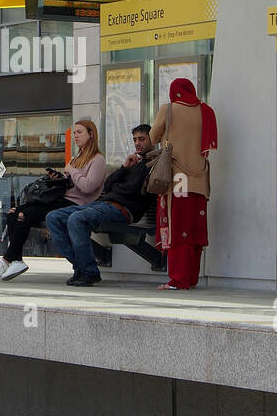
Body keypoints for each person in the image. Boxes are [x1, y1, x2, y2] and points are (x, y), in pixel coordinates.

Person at [0, 118, 106, 281]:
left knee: (25, 215)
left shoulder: (97, 159)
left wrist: (72, 170)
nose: (76, 136)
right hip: (60, 199)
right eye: (75, 133)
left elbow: (88, 187)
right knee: (14, 212)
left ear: (91, 134)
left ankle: (8, 259)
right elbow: (69, 183)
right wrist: (58, 177)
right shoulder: (77, 157)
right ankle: (16, 259)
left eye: (80, 132)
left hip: (76, 204)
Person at [45, 124, 156, 287]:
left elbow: (130, 189)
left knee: (77, 218)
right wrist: (124, 168)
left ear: (152, 140)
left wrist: (118, 185)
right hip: (104, 205)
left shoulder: (152, 165)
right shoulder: (134, 164)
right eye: (135, 140)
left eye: (142, 139)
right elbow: (108, 184)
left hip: (122, 210)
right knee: (53, 217)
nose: (137, 143)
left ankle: (89, 272)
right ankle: (81, 267)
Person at [149, 79, 218, 290]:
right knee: (195, 231)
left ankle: (178, 279)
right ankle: (191, 277)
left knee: (178, 229)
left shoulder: (169, 109)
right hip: (199, 181)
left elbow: (152, 137)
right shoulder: (206, 111)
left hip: (178, 180)